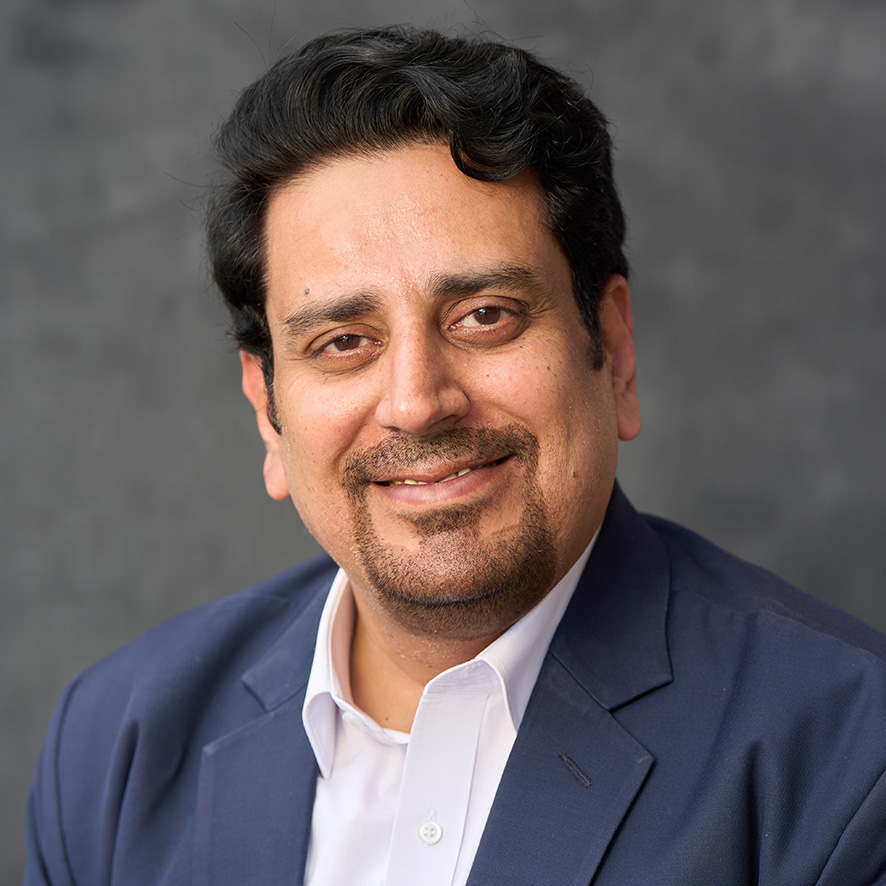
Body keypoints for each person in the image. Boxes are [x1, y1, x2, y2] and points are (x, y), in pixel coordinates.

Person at [25, 25, 886, 886]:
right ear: (268, 411)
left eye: (485, 316)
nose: (415, 402)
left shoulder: (849, 756)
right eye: (343, 340)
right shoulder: (113, 751)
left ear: (615, 350)